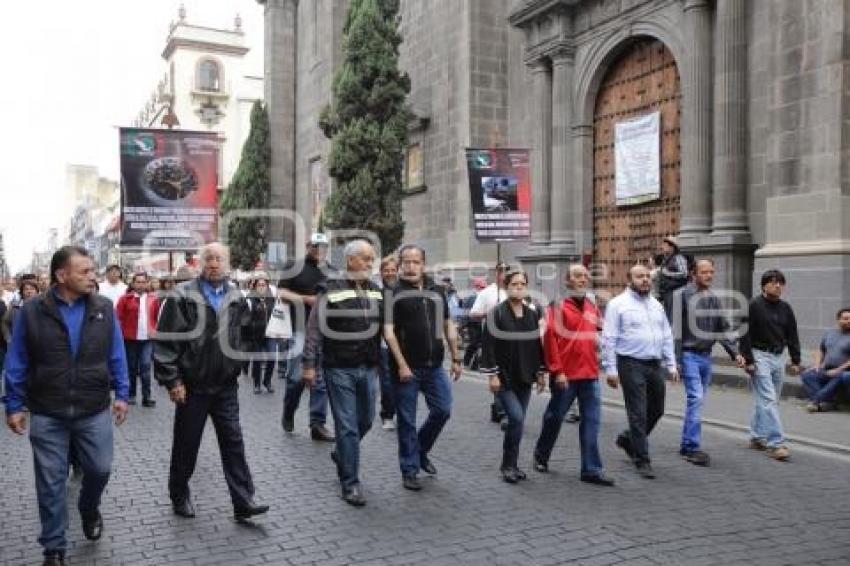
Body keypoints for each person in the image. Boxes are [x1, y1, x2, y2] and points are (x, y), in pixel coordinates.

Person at [4, 246, 129, 566]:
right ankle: (54, 547)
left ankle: (89, 508)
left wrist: (123, 394)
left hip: (93, 408)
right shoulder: (32, 311)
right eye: (84, 271)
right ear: (62, 276)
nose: (93, 276)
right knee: (50, 482)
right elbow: (16, 359)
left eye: (92, 271)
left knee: (100, 469)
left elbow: (116, 352)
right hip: (47, 411)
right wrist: (14, 404)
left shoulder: (104, 307)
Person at [154, 242, 269, 522]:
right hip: (193, 386)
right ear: (200, 263)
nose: (214, 263)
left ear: (227, 263)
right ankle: (179, 494)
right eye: (209, 259)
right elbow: (167, 342)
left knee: (233, 442)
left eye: (219, 259)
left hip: (225, 386)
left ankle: (243, 501)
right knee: (187, 444)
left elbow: (248, 335)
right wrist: (173, 382)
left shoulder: (237, 295)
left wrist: (260, 309)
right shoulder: (182, 295)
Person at [302, 240, 384, 506]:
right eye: (366, 259)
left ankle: (342, 453)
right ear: (351, 261)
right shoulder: (330, 289)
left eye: (372, 260)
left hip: (368, 367)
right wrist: (309, 365)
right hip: (339, 368)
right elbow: (314, 329)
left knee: (367, 420)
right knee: (347, 427)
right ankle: (350, 483)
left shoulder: (375, 290)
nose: (371, 264)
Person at [384, 244, 462, 492]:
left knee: (443, 410)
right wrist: (402, 364)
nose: (410, 266)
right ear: (400, 264)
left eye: (415, 261)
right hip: (407, 368)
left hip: (435, 365)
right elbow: (388, 332)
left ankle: (419, 451)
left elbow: (448, 324)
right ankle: (409, 470)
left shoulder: (437, 290)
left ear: (423, 264)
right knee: (406, 420)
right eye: (406, 261)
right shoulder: (393, 293)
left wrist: (457, 356)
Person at [533, 264, 614, 486]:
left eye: (585, 277)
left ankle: (591, 469)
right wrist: (556, 371)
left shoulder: (590, 305)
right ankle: (541, 454)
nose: (582, 280)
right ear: (568, 281)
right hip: (566, 375)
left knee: (592, 421)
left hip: (589, 373)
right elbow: (550, 340)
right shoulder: (557, 305)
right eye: (577, 276)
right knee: (555, 417)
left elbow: (602, 331)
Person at [602, 264, 679, 479]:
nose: (645, 280)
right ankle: (642, 458)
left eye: (647, 276)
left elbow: (666, 335)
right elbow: (609, 338)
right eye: (639, 277)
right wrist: (610, 369)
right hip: (630, 364)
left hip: (654, 365)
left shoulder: (656, 305)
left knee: (657, 409)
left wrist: (671, 365)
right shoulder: (618, 304)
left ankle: (628, 439)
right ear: (630, 279)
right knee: (637, 412)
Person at [671, 259, 746, 466]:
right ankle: (692, 448)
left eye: (712, 272)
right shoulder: (682, 296)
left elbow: (722, 328)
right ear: (694, 274)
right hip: (688, 355)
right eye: (705, 272)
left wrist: (735, 353)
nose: (710, 276)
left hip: (706, 357)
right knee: (695, 398)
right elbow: (675, 330)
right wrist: (675, 361)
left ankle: (687, 444)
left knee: (697, 401)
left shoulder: (713, 298)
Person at [480, 269, 546, 483]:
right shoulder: (496, 313)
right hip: (505, 377)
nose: (518, 287)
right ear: (506, 287)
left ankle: (513, 464)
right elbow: (488, 346)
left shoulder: (532, 313)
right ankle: (507, 465)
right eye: (514, 284)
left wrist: (540, 373)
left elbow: (537, 345)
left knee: (519, 422)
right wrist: (493, 376)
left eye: (522, 284)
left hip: (525, 375)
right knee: (516, 418)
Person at [277, 233, 334, 442]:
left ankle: (317, 425)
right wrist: (306, 299)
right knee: (296, 378)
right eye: (315, 245)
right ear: (307, 245)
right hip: (299, 329)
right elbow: (281, 292)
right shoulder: (294, 266)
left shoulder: (331, 271)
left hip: (326, 332)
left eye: (322, 246)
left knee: (320, 381)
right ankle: (288, 410)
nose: (318, 249)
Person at [739, 269, 801, 461]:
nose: (778, 286)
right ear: (764, 285)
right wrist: (748, 360)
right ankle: (776, 443)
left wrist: (796, 359)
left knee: (768, 400)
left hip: (778, 357)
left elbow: (792, 333)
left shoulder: (786, 308)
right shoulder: (754, 305)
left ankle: (757, 437)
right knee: (768, 399)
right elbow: (744, 334)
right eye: (773, 282)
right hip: (759, 356)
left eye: (781, 283)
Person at [115, 272, 160, 407]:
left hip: (147, 339)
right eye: (138, 282)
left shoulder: (153, 299)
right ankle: (131, 394)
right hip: (130, 339)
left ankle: (147, 396)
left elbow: (157, 317)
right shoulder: (125, 299)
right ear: (133, 284)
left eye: (143, 282)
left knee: (146, 367)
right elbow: (118, 318)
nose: (140, 284)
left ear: (147, 284)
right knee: (132, 368)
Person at [801, 309, 850, 412]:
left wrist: (838, 369)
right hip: (827, 368)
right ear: (838, 320)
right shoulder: (829, 333)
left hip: (845, 371)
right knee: (808, 374)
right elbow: (821, 350)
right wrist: (817, 365)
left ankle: (815, 401)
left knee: (841, 376)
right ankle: (828, 403)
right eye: (846, 319)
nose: (849, 321)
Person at [246, 272, 277, 394]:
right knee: (257, 360)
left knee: (272, 357)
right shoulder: (250, 299)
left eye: (264, 285)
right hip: (256, 335)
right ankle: (257, 384)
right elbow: (245, 318)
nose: (262, 287)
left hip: (270, 334)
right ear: (255, 286)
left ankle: (267, 381)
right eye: (259, 285)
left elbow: (277, 315)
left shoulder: (272, 299)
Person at [378, 255, 399, 430]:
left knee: (404, 379)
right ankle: (387, 414)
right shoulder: (377, 292)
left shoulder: (403, 290)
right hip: (383, 344)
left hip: (403, 343)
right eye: (386, 270)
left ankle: (402, 411)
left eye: (393, 270)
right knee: (387, 381)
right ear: (381, 273)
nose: (390, 273)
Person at [657, 236, 689, 318]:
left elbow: (684, 273)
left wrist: (668, 273)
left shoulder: (678, 258)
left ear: (672, 247)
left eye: (665, 245)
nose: (662, 247)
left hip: (676, 292)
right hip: (667, 292)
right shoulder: (666, 259)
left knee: (673, 317)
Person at [2, 279, 40, 345]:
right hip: (18, 344)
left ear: (37, 291)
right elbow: (5, 323)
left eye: (32, 289)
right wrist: (9, 339)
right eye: (26, 289)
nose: (29, 291)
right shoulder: (15, 307)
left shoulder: (43, 307)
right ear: (22, 292)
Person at [461, 277, 487, 369]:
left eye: (484, 287)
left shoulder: (485, 298)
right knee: (474, 343)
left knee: (481, 345)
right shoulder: (471, 299)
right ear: (477, 287)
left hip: (483, 324)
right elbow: (465, 313)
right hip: (472, 324)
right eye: (481, 287)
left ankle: (475, 364)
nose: (482, 289)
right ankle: (466, 361)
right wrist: (464, 325)